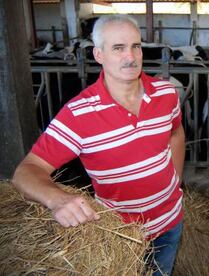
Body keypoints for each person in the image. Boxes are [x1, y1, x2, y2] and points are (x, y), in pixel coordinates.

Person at [12, 14, 185, 276]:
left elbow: (176, 133)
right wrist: (56, 199)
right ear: (99, 54)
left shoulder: (166, 93)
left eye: (136, 46)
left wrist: (175, 181)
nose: (131, 56)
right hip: (120, 236)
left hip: (171, 221)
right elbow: (26, 171)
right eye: (118, 48)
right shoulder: (78, 114)